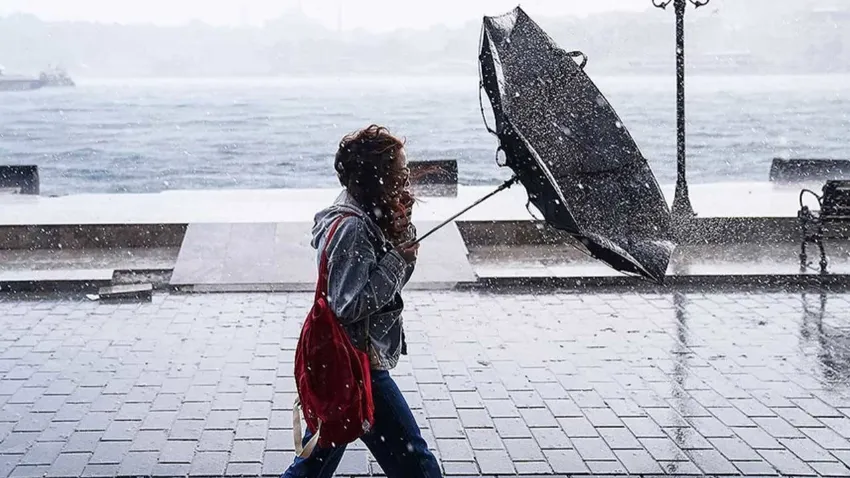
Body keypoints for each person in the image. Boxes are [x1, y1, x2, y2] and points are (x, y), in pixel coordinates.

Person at [282, 125, 443, 478]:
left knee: (315, 463)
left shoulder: (367, 212)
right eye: (399, 172)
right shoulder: (353, 228)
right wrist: (398, 258)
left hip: (348, 361)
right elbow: (350, 304)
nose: (405, 179)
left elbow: (387, 287)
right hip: (357, 364)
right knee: (417, 465)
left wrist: (401, 236)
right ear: (378, 177)